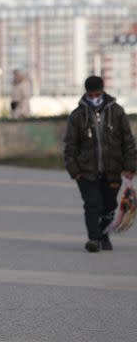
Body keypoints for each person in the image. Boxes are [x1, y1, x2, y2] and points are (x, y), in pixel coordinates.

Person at [63, 75, 136, 253]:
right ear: (86, 93)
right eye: (91, 94)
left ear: (103, 91)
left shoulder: (117, 112)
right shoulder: (77, 116)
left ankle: (104, 234)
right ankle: (93, 239)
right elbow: (70, 146)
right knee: (92, 204)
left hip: (113, 170)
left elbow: (128, 141)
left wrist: (130, 166)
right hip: (86, 172)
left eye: (97, 94)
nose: (94, 97)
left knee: (109, 206)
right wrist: (74, 171)